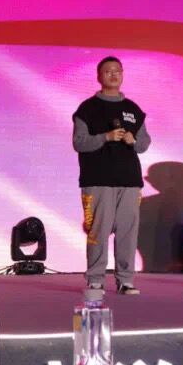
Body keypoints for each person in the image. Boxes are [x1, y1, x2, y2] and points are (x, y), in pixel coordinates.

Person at [73, 56, 151, 294]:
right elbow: (79, 142)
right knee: (99, 230)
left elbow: (144, 143)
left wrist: (133, 140)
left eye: (117, 71)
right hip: (98, 179)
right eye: (108, 71)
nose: (114, 75)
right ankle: (96, 279)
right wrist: (105, 137)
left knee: (128, 231)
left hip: (129, 180)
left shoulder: (133, 109)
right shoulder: (87, 108)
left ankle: (125, 280)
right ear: (99, 76)